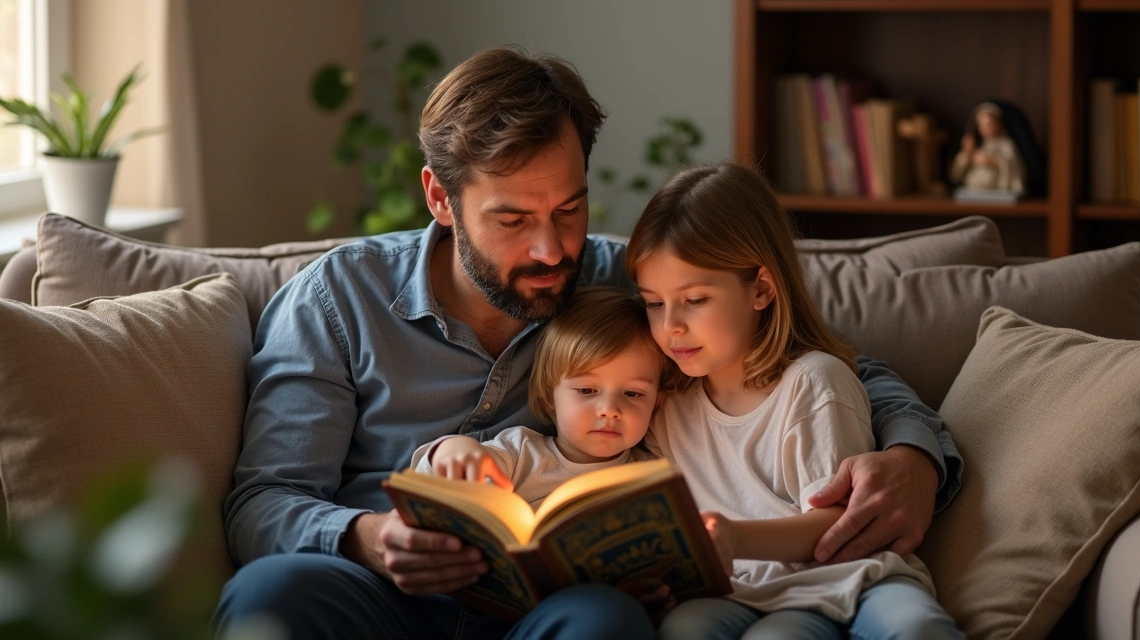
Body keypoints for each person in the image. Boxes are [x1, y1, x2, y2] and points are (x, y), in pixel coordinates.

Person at [214, 44, 961, 640]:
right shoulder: (338, 298)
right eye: (513, 219)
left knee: (608, 620)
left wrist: (914, 457)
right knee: (270, 593)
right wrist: (369, 538)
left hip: (549, 609)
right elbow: (263, 501)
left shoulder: (623, 287)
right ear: (441, 197)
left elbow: (816, 360)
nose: (551, 250)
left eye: (569, 209)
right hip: (383, 592)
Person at [628, 162, 963, 639]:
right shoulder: (665, 405)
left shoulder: (814, 382)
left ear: (761, 289)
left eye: (695, 299)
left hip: (843, 578)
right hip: (739, 592)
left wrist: (735, 538)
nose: (671, 326)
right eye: (654, 303)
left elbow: (843, 524)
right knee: (683, 628)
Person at [412, 286, 679, 619]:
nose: (609, 409)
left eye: (633, 394)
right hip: (480, 610)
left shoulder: (655, 480)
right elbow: (428, 484)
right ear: (550, 396)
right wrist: (452, 450)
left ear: (657, 403)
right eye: (587, 390)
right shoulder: (519, 451)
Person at [949, 101, 1027, 196]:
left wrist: (993, 161)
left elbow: (1014, 166)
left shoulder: (1005, 144)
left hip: (996, 187)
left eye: (989, 124)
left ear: (998, 123)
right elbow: (955, 175)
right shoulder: (979, 144)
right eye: (981, 124)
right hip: (975, 188)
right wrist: (966, 153)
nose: (985, 128)